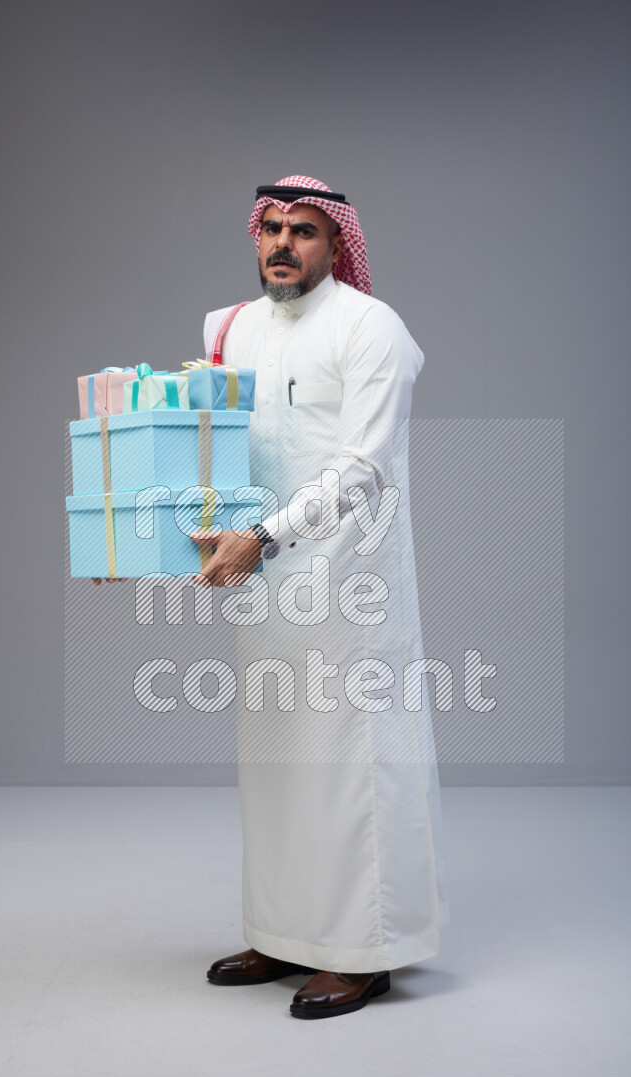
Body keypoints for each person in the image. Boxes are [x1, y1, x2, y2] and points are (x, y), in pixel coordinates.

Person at [190, 175, 449, 1019]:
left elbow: (362, 467)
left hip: (349, 586)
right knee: (276, 765)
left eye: (304, 231)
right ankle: (284, 933)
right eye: (272, 227)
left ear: (337, 243)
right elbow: (212, 452)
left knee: (348, 768)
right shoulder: (230, 328)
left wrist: (263, 537)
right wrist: (142, 543)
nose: (283, 243)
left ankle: (363, 953)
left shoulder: (370, 327)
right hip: (262, 581)